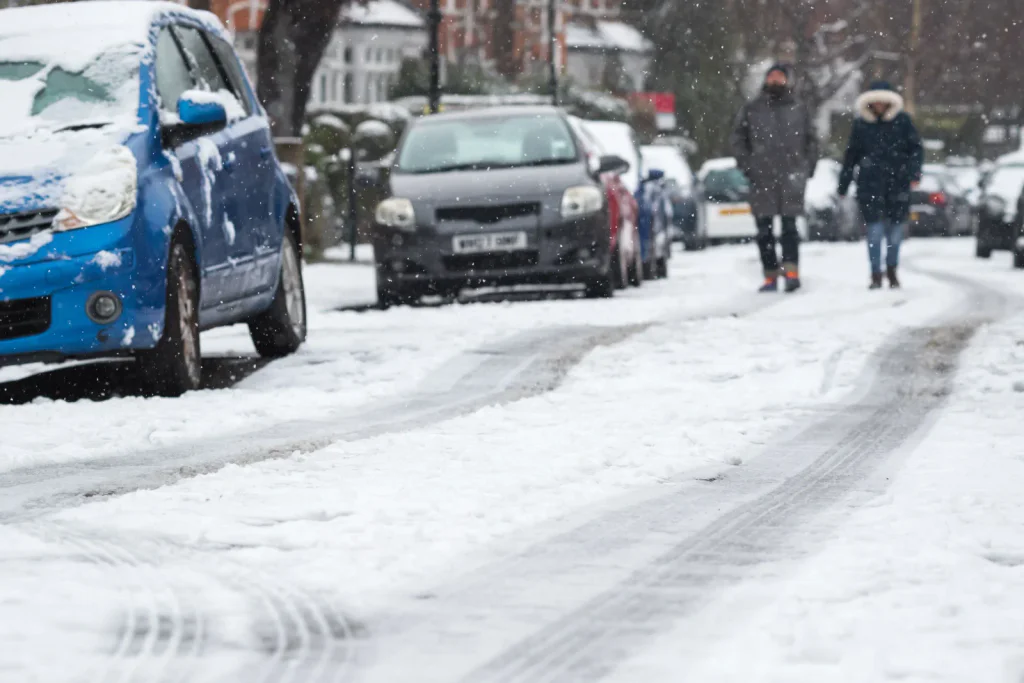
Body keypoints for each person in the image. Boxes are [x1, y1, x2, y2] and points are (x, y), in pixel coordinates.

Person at [731, 63, 818, 293]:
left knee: (790, 229)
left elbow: (812, 141)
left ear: (787, 80)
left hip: (792, 179)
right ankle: (770, 275)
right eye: (772, 76)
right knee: (764, 231)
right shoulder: (752, 109)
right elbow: (739, 139)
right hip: (762, 179)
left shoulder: (799, 109)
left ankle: (791, 273)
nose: (775, 81)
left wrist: (806, 168)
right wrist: (748, 166)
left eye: (780, 77)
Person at [838, 81, 923, 289]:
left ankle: (891, 270)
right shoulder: (861, 124)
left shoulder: (903, 122)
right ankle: (876, 273)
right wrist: (843, 184)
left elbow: (916, 149)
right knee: (874, 232)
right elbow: (851, 156)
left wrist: (913, 173)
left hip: (898, 185)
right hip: (870, 186)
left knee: (895, 232)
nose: (878, 103)